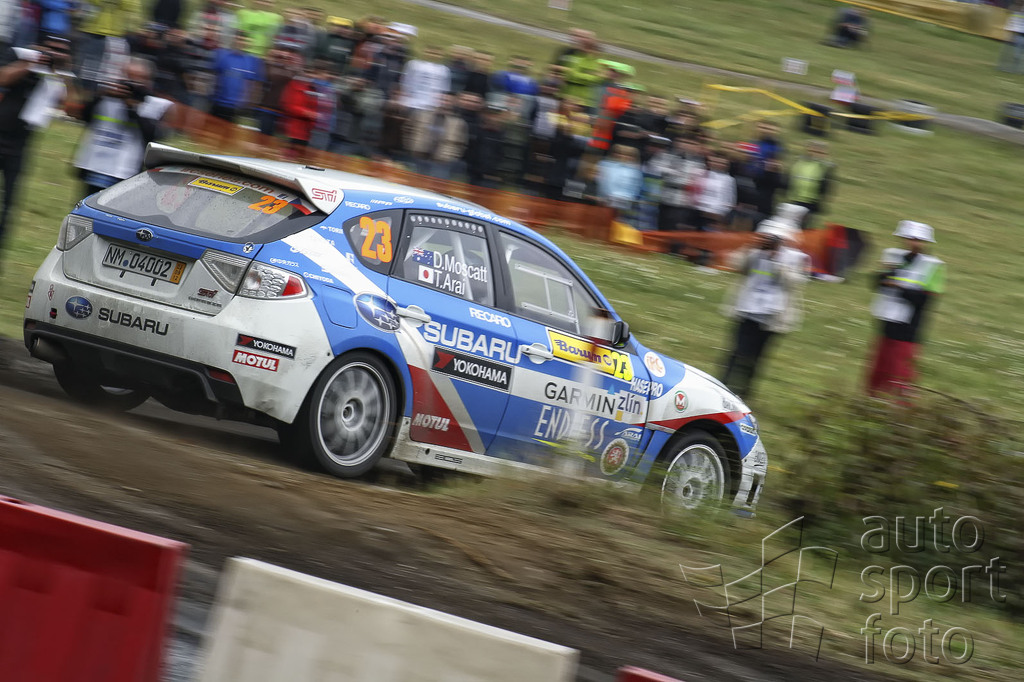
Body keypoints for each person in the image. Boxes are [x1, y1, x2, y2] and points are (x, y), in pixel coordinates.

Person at [720, 215, 810, 400]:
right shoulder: (754, 252)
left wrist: (777, 260)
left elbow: (795, 282)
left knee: (756, 357)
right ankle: (722, 387)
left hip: (772, 316)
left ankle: (744, 393)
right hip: (747, 310)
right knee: (736, 352)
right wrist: (750, 249)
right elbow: (734, 264)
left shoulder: (795, 257)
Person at [0, 36, 71, 258]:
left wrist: (59, 69)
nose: (55, 53)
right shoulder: (20, 56)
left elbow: (70, 104)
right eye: (51, 48)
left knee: (9, 203)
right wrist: (32, 63)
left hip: (20, 145)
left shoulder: (57, 76)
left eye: (61, 50)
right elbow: (4, 77)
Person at [867, 221, 945, 398]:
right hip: (886, 320)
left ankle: (902, 407)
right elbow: (876, 284)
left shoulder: (934, 266)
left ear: (925, 242)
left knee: (901, 372)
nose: (913, 242)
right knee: (879, 368)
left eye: (918, 239)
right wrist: (884, 276)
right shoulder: (892, 257)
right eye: (909, 238)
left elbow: (926, 300)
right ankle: (871, 402)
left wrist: (898, 287)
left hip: (909, 327)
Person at [73, 58, 168, 197]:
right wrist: (100, 95)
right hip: (93, 164)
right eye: (127, 75)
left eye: (137, 78)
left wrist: (132, 108)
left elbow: (154, 136)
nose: (130, 82)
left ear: (148, 81)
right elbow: (83, 117)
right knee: (85, 204)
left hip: (124, 170)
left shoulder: (155, 104)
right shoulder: (106, 96)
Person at [407, 92, 468, 180]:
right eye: (442, 99)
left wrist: (450, 156)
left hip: (442, 163)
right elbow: (408, 129)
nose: (444, 102)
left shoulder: (459, 122)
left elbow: (462, 144)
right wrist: (412, 146)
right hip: (419, 157)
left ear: (454, 103)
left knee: (436, 186)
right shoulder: (422, 115)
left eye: (448, 100)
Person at [210, 33, 263, 122]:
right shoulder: (223, 55)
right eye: (238, 39)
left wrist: (249, 105)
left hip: (237, 108)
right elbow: (214, 76)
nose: (240, 42)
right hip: (219, 103)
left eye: (243, 40)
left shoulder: (252, 61)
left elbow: (254, 85)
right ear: (234, 40)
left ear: (248, 43)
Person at [786, 139, 834, 229]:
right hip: (795, 199)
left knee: (803, 228)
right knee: (789, 226)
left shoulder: (825, 167)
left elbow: (826, 187)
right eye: (813, 151)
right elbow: (790, 178)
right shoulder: (799, 162)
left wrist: (820, 203)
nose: (815, 154)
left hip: (811, 203)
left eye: (819, 152)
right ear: (808, 150)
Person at [399, 45, 451, 113]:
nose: (433, 55)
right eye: (430, 52)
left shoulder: (444, 70)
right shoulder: (413, 64)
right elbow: (405, 82)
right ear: (424, 52)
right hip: (410, 102)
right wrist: (403, 99)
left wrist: (438, 105)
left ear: (441, 56)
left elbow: (443, 90)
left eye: (437, 54)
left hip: (430, 106)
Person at [999, 2, 1024, 73]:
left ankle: (1015, 68)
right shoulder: (1016, 9)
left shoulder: (1017, 9)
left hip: (1020, 34)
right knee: (1015, 52)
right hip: (1018, 33)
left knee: (1016, 53)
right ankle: (1014, 67)